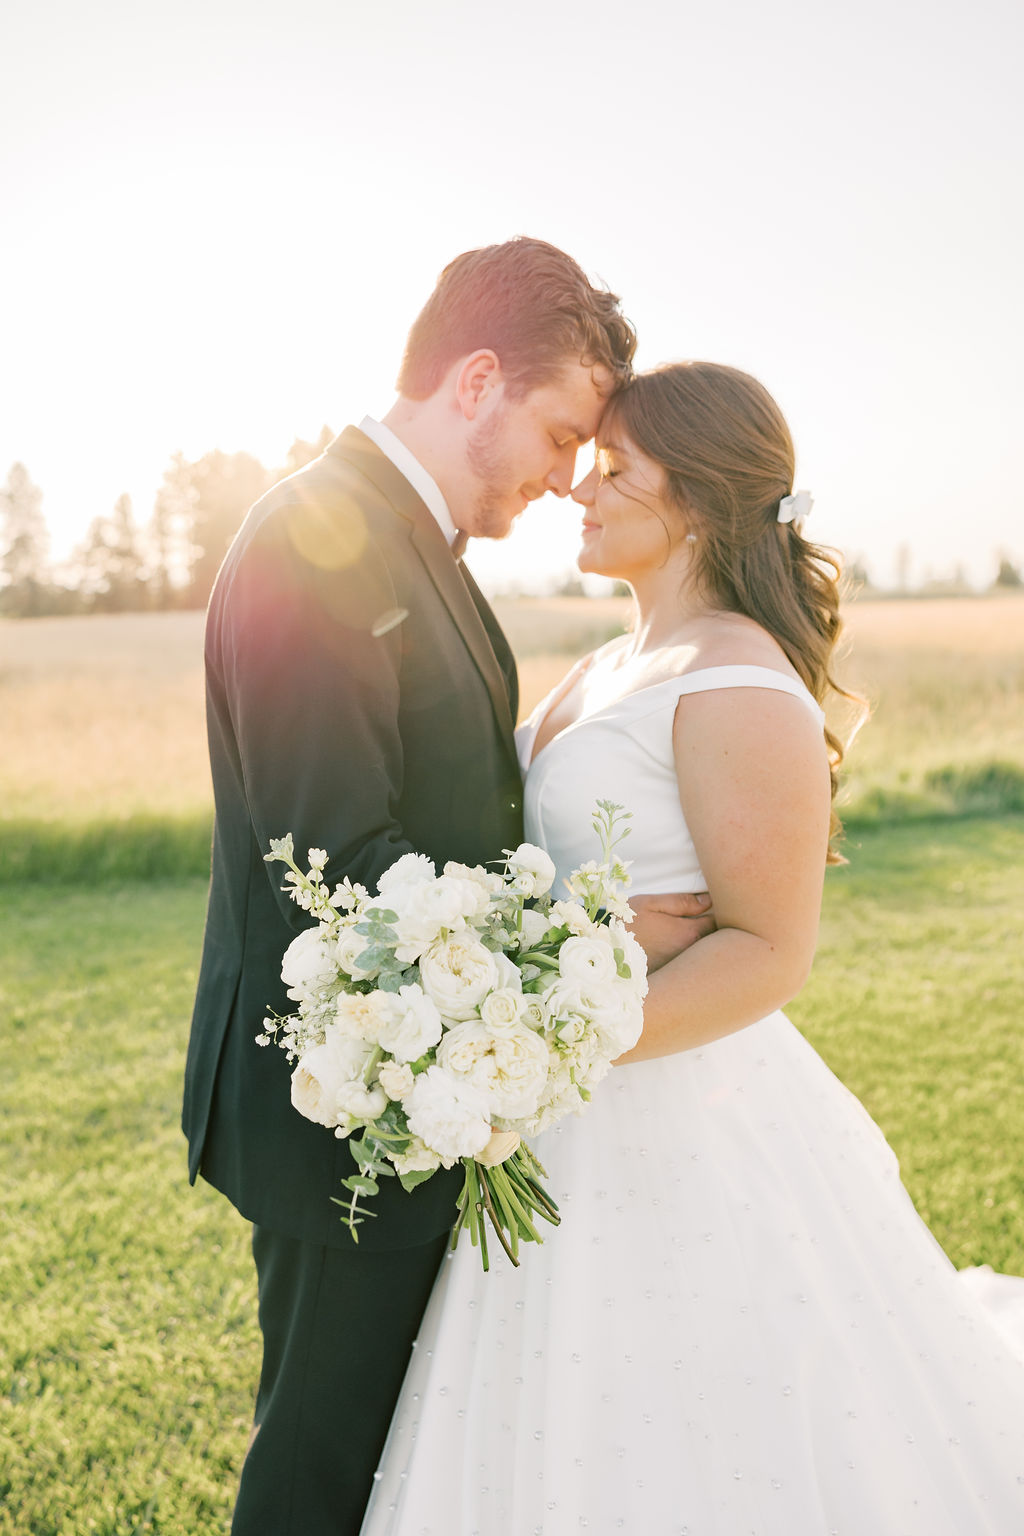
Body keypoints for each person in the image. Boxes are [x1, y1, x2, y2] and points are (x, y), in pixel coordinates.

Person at [360, 361, 1024, 1534]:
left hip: (677, 1108)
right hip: (568, 1107)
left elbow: (768, 951)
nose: (580, 489)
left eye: (616, 471)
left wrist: (547, 1044)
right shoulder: (610, 663)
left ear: (703, 501)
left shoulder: (734, 677)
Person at [182, 238, 711, 1536]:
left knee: (387, 1461)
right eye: (560, 432)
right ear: (477, 380)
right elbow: (335, 862)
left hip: (419, 1089)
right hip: (335, 1108)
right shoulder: (323, 541)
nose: (565, 476)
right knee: (320, 1462)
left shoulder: (412, 544)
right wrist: (558, 960)